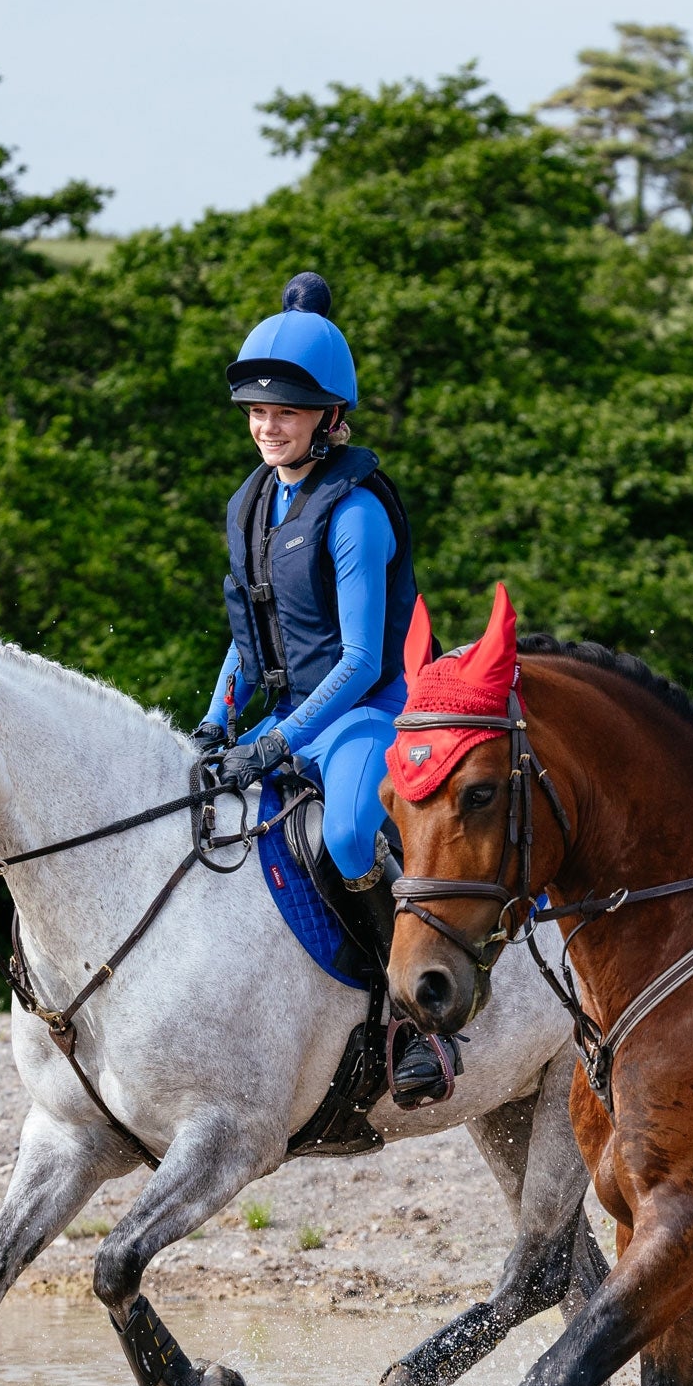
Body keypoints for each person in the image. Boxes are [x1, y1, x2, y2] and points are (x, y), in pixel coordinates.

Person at [194, 273, 417, 962]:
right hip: (289, 716)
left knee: (348, 834)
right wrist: (215, 721)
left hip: (368, 710)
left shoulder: (356, 514)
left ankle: (410, 1007)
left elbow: (360, 663)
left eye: (286, 413)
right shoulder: (252, 504)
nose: (268, 427)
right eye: (257, 412)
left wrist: (275, 742)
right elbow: (248, 637)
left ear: (328, 414)